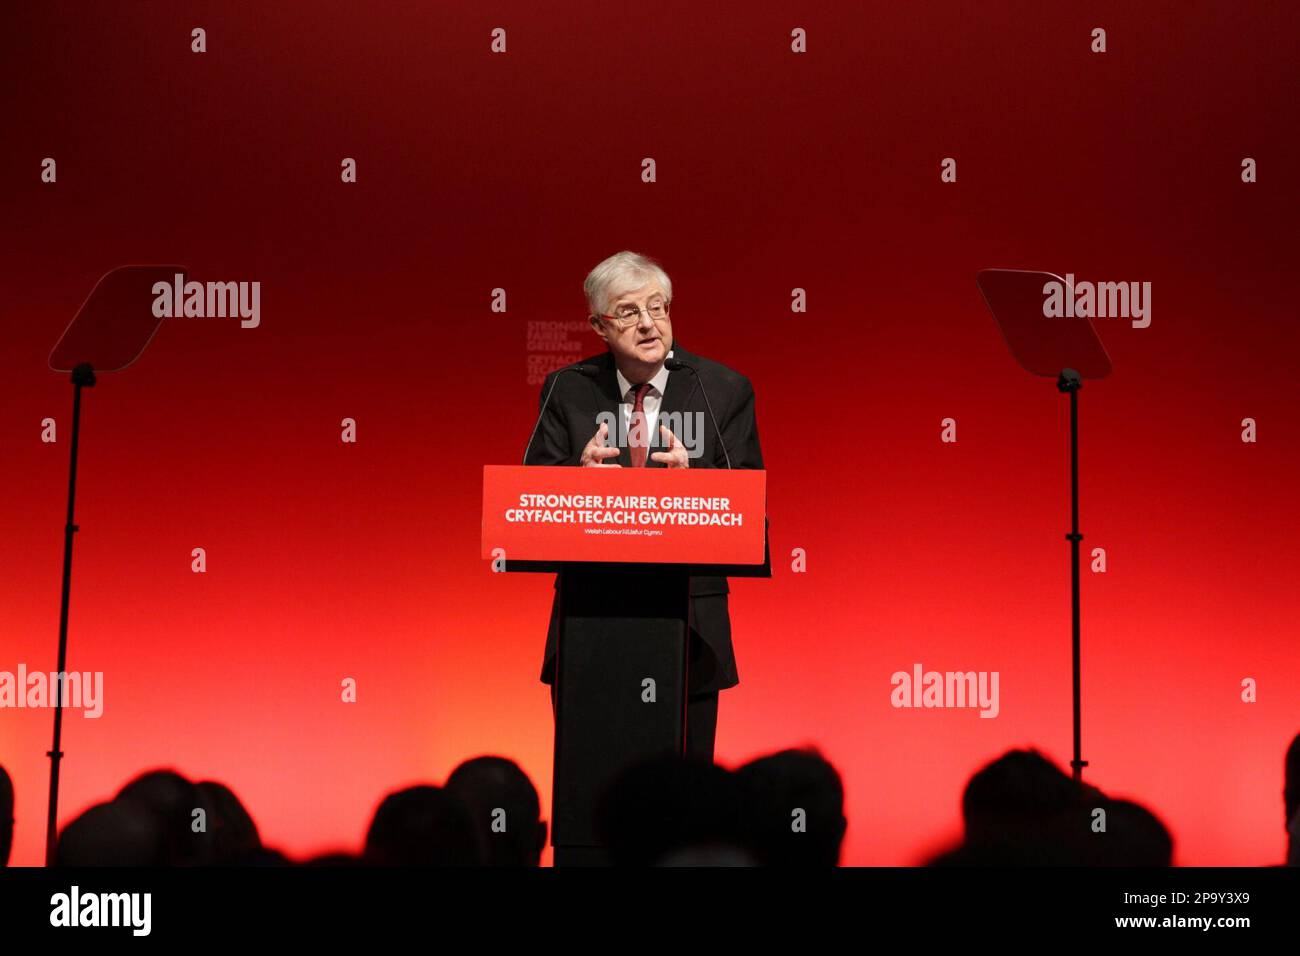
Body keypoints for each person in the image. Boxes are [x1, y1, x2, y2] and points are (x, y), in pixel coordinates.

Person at [524, 250, 764, 760]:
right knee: (589, 782)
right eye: (629, 312)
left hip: (688, 624)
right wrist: (577, 482)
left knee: (685, 794)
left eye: (659, 307)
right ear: (598, 325)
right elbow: (530, 500)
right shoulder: (567, 390)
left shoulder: (722, 389)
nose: (650, 324)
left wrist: (694, 484)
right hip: (591, 618)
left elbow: (747, 503)